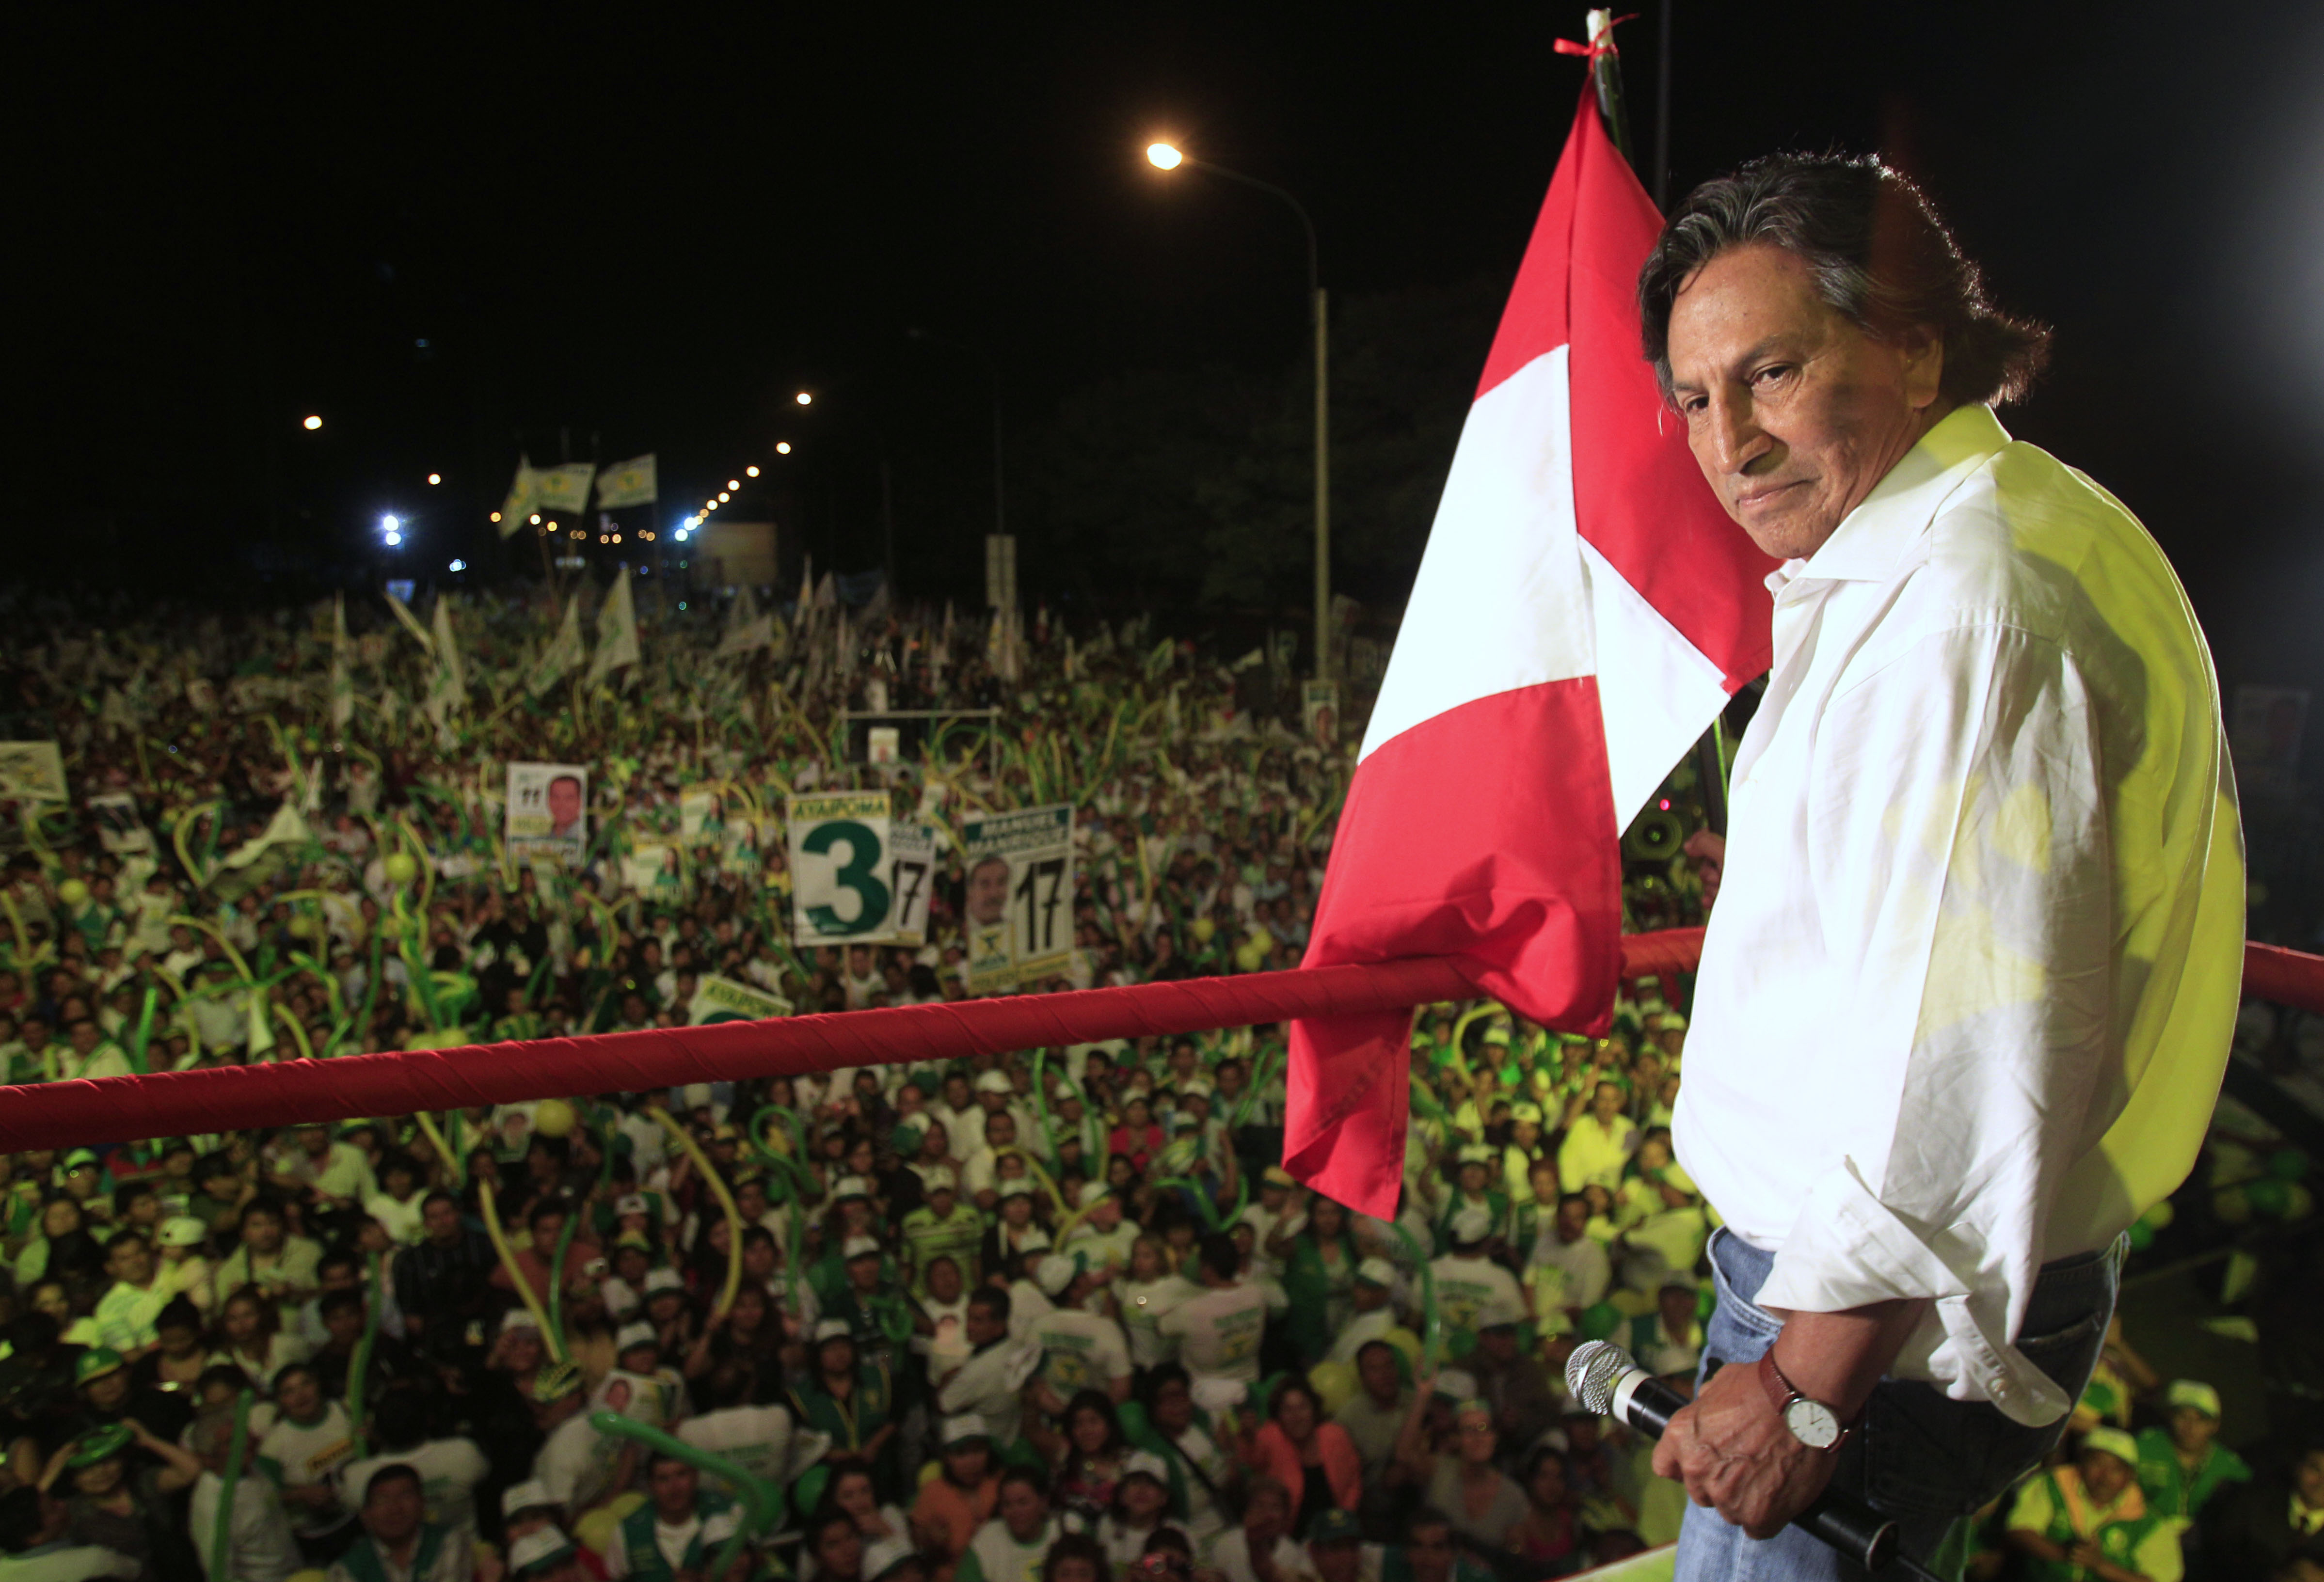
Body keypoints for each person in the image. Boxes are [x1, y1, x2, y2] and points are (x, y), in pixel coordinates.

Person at [1637, 152, 2243, 1578]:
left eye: (1770, 372)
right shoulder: (1979, 536)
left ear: (1912, 348)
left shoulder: (1961, 607)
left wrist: (1798, 1386)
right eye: (1693, 398)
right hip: (1876, 1304)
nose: (1730, 440)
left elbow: (1964, 1055)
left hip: (1863, 1326)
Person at [2004, 1427, 2182, 1582]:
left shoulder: (2149, 1522)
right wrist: (2065, 1555)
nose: (2104, 1477)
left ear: (2130, 1476)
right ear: (2082, 1464)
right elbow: (2019, 1530)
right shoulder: (2053, 1485)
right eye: (2097, 1463)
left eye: (2116, 1469)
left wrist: (2101, 1566)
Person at [1248, 1378, 1360, 1538]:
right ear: (1279, 1416)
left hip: (1338, 1533)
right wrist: (1247, 1438)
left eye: (1303, 1407)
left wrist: (1346, 1521)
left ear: (1314, 1410)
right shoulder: (1272, 1439)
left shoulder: (1335, 1436)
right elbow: (1252, 1459)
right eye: (1288, 1410)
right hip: (1291, 1541)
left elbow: (1353, 1481)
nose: (1297, 1416)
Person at [326, 1464, 472, 1582]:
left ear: (423, 1504)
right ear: (366, 1516)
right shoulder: (346, 1568)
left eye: (405, 1496)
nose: (395, 1509)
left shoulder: (449, 1541)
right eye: (382, 1500)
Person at [2134, 1378, 2250, 1526]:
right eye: (2183, 1416)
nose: (2190, 1427)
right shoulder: (2143, 1447)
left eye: (2200, 1420)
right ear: (2170, 1417)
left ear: (2215, 1426)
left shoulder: (2230, 1467)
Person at [601, 1452, 732, 1582]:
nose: (674, 1488)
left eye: (681, 1475)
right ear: (651, 1485)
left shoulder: (726, 1515)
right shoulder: (627, 1532)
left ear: (696, 1475)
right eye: (663, 1479)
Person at [1156, 1234, 1266, 1386]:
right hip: (1251, 1384)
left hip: (1207, 1394)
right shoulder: (1257, 1295)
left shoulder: (1191, 1310)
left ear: (1205, 1268)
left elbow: (1161, 1327)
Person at [910, 1415, 1002, 1582]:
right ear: (947, 1458)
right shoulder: (933, 1492)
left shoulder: (1001, 1484)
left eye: (978, 1451)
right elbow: (918, 1549)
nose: (971, 1462)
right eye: (961, 1454)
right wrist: (931, 1542)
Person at [955, 1467, 1073, 1582]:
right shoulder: (986, 1543)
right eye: (1007, 1504)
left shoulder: (1070, 1526)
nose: (1015, 1512)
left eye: (1023, 1503)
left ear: (1044, 1502)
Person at [0, 1485, 138, 1582]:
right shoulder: (92, 1561)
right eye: (54, 1508)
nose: (62, 1504)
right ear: (35, 1537)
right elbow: (135, 1570)